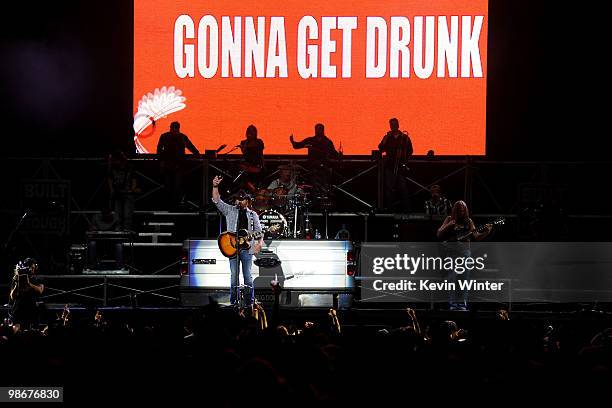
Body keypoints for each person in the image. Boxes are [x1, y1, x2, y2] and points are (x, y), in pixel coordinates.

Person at [212, 175, 263, 308]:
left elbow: (259, 231)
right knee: (234, 276)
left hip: (247, 249)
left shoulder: (253, 215)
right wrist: (215, 186)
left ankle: (248, 303)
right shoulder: (230, 210)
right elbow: (217, 201)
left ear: (247, 200)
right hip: (232, 249)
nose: (239, 201)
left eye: (242, 199)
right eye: (237, 199)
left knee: (247, 276)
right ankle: (234, 302)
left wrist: (259, 243)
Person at [437, 200, 492, 310]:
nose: (460, 212)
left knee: (464, 280)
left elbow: (476, 236)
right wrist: (449, 225)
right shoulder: (449, 219)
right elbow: (439, 234)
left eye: (462, 210)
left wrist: (487, 232)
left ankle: (462, 305)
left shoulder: (469, 221)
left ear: (465, 210)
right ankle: (453, 304)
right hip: (452, 254)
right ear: (455, 210)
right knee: (452, 279)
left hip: (465, 254)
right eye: (458, 210)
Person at [156, 121, 200, 209]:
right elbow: (191, 147)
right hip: (174, 165)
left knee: (173, 186)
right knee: (173, 186)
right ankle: (173, 204)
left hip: (175, 165)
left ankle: (171, 204)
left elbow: (159, 150)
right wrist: (197, 154)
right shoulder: (181, 137)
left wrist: (161, 161)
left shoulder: (168, 136)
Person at [290, 123, 338, 200]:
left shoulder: (327, 142)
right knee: (314, 185)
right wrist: (292, 142)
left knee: (324, 185)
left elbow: (334, 153)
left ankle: (324, 201)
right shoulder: (310, 140)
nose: (319, 130)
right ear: (315, 130)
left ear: (323, 130)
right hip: (313, 167)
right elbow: (297, 146)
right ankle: (315, 201)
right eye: (317, 129)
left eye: (320, 129)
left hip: (324, 167)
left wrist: (339, 156)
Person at [378, 118, 413, 211]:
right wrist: (385, 139)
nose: (393, 126)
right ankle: (389, 210)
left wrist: (403, 156)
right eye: (391, 125)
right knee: (389, 189)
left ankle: (406, 210)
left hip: (401, 166)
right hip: (390, 166)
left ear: (398, 125)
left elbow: (410, 151)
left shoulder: (404, 137)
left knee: (403, 188)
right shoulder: (388, 137)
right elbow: (381, 148)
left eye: (394, 124)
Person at [8, 258, 45, 329]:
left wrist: (29, 284)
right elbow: (12, 296)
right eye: (30, 268)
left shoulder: (37, 279)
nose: (31, 270)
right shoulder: (17, 279)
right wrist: (17, 282)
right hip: (19, 310)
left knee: (32, 330)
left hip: (31, 309)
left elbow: (40, 290)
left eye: (33, 268)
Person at [108, 150, 139, 230]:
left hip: (128, 193)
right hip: (117, 193)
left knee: (127, 214)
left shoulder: (129, 167)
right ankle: (118, 230)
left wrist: (133, 188)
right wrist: (112, 190)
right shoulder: (112, 168)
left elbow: (134, 178)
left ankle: (126, 231)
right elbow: (110, 179)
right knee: (118, 214)